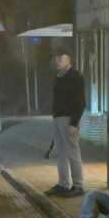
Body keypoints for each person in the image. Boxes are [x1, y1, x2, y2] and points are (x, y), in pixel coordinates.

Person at [44, 49, 86, 198]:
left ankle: (78, 185)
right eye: (56, 58)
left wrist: (74, 123)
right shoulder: (58, 77)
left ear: (69, 59)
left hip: (69, 119)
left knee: (72, 152)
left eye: (60, 58)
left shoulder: (75, 76)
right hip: (58, 118)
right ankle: (63, 184)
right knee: (61, 152)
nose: (57, 61)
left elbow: (80, 102)